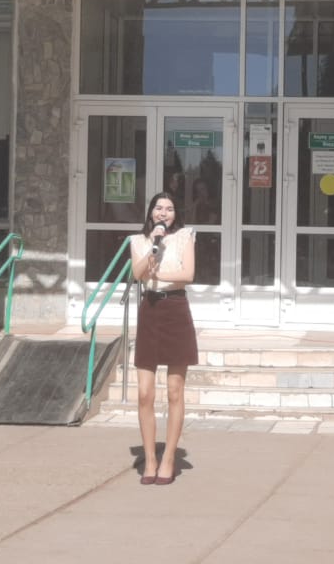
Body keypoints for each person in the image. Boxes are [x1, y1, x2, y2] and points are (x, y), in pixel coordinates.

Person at [128, 192, 198, 485]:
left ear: (175, 214)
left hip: (176, 308)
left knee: (174, 391)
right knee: (145, 392)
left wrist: (157, 274)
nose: (164, 213)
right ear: (151, 212)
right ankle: (150, 459)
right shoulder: (139, 241)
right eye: (159, 208)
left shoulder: (184, 237)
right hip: (151, 309)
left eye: (169, 209)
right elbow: (137, 273)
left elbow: (188, 274)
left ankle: (168, 458)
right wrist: (152, 252)